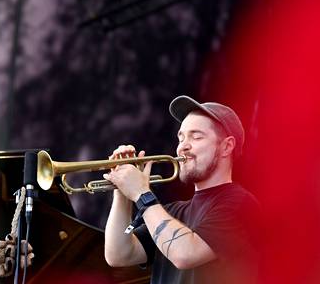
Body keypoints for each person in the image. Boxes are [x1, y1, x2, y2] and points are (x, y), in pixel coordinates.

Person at [103, 95, 260, 284]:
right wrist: (122, 192)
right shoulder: (171, 212)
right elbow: (119, 255)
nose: (182, 147)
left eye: (196, 136)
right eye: (181, 137)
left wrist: (140, 193)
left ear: (226, 147)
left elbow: (185, 255)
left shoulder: (240, 205)